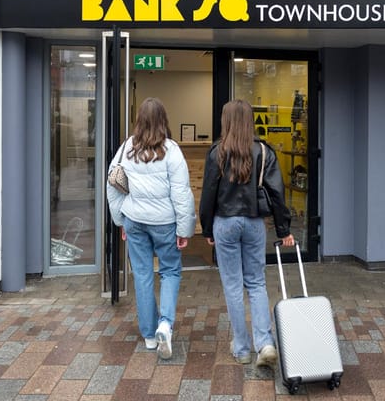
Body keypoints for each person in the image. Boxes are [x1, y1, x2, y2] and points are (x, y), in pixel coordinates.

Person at [200, 99, 295, 368]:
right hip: (254, 222)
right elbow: (277, 192)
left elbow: (208, 193)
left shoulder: (217, 152)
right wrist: (283, 229)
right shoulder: (264, 151)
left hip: (225, 222)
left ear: (226, 120)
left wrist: (206, 228)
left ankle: (242, 349)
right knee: (256, 283)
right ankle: (265, 343)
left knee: (233, 286)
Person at [106, 97, 195, 359]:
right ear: (163, 120)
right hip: (165, 222)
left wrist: (120, 220)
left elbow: (113, 186)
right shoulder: (172, 150)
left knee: (143, 274)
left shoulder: (126, 148)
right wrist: (184, 229)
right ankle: (165, 324)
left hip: (134, 219)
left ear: (140, 120)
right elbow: (181, 193)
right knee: (170, 271)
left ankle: (148, 336)